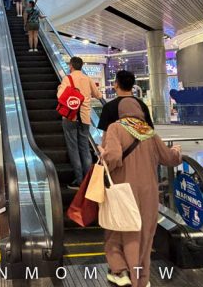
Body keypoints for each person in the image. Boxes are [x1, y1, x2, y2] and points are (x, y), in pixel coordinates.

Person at [98, 98, 182, 287]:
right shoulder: (148, 132)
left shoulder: (115, 128)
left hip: (124, 190)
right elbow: (168, 158)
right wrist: (176, 152)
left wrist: (104, 155)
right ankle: (141, 279)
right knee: (145, 235)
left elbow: (113, 157)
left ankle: (122, 272)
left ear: (121, 111)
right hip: (149, 192)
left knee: (121, 231)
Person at [57, 56, 104, 189]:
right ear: (81, 66)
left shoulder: (67, 78)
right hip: (85, 118)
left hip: (70, 117)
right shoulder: (87, 79)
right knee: (84, 148)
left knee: (73, 148)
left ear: (71, 66)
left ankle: (79, 180)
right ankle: (88, 180)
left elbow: (60, 96)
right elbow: (98, 95)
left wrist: (60, 88)